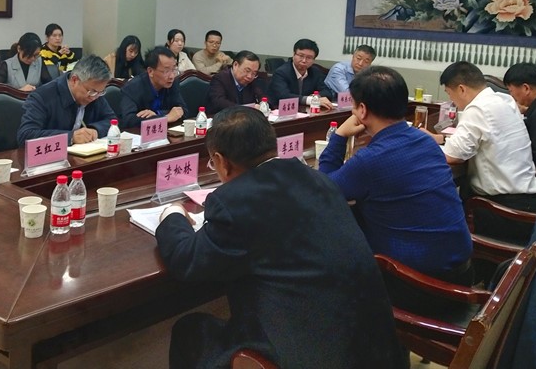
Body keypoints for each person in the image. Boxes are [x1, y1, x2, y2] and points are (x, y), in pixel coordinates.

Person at [155, 106, 405, 369]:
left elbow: (186, 260)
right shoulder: (319, 180)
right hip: (379, 353)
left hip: (310, 356)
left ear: (221, 161)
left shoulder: (235, 202)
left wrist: (172, 214)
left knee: (190, 331)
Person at [318, 66, 472, 286]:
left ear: (362, 110)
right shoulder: (425, 141)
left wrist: (340, 135)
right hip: (462, 270)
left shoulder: (370, 160)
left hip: (419, 283)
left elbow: (324, 189)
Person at [425, 61, 536, 240]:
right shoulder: (504, 100)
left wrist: (421, 143)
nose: (452, 101)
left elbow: (453, 156)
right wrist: (441, 139)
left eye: (449, 93)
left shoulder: (478, 108)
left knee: (440, 212)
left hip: (502, 211)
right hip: (527, 202)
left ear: (461, 89)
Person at [17, 55, 116, 146]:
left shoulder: (96, 92)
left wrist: (95, 130)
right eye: (92, 92)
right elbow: (26, 135)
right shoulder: (42, 97)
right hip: (52, 157)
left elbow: (112, 121)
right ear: (74, 80)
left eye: (101, 92)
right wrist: (71, 137)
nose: (95, 97)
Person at [120, 46, 188, 128]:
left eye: (174, 69)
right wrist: (165, 118)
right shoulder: (132, 88)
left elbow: (182, 111)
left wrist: (158, 114)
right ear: (150, 71)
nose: (171, 76)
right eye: (166, 71)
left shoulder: (173, 83)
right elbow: (128, 121)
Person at [267, 38, 334, 108]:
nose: (304, 60)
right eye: (301, 56)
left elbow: (327, 92)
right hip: (280, 110)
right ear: (293, 54)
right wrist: (310, 100)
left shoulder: (315, 72)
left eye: (309, 57)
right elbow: (284, 96)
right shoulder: (281, 72)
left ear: (314, 59)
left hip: (305, 111)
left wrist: (316, 97)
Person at [205, 50, 265, 114]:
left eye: (254, 73)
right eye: (247, 71)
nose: (249, 76)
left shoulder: (252, 81)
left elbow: (262, 97)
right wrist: (245, 109)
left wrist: (264, 106)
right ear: (235, 65)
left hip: (244, 118)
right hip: (221, 117)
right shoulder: (220, 78)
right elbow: (219, 102)